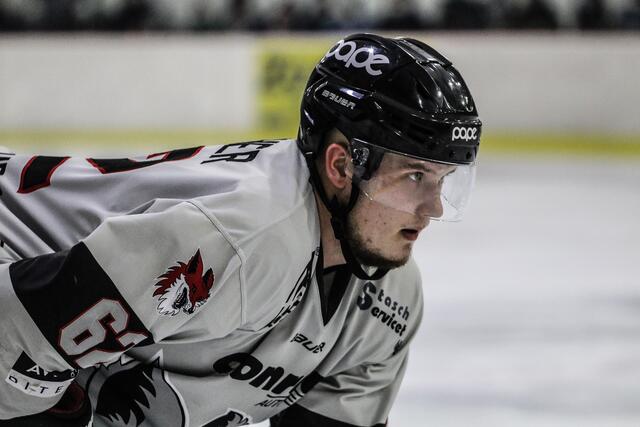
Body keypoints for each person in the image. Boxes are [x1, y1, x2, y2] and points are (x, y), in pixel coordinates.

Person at [0, 33, 481, 426]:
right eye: (414, 177)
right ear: (341, 167)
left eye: (443, 180)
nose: (434, 207)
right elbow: (14, 334)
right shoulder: (238, 237)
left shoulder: (389, 302)